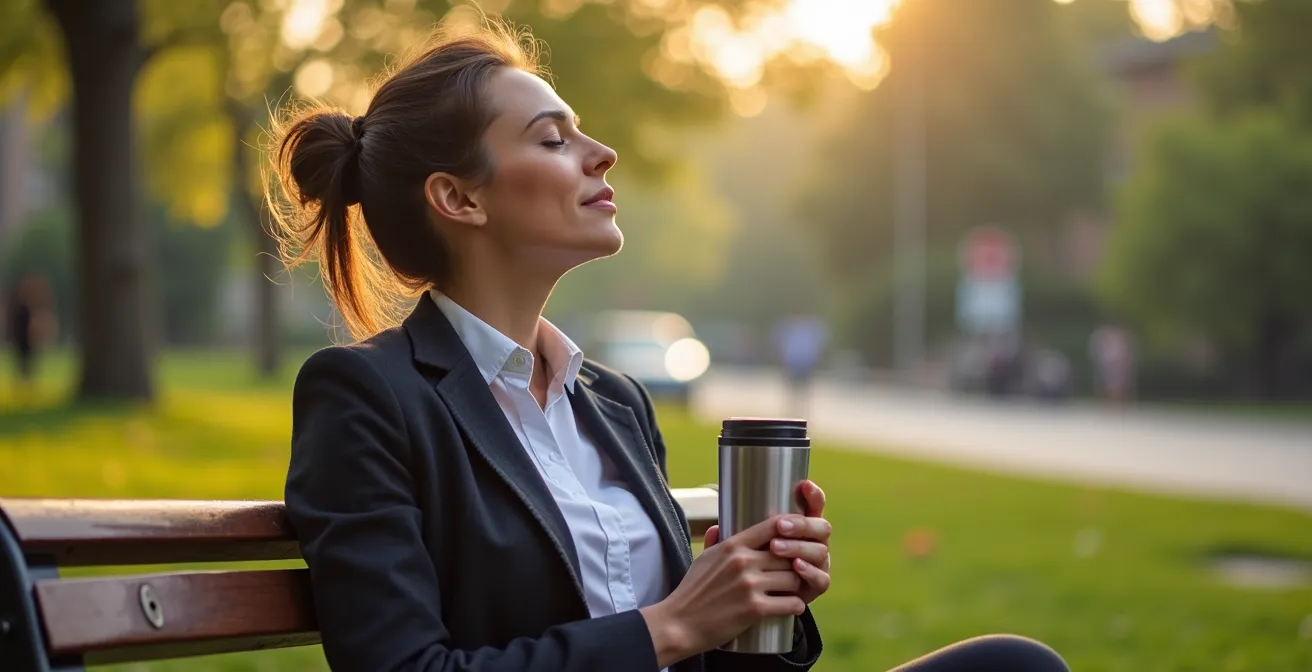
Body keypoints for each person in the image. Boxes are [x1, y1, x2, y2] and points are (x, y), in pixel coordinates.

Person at [269, 19, 1067, 672]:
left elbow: (694, 655)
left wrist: (757, 604)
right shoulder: (369, 397)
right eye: (552, 140)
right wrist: (674, 623)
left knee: (1014, 665)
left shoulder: (614, 401)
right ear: (458, 197)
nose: (601, 153)